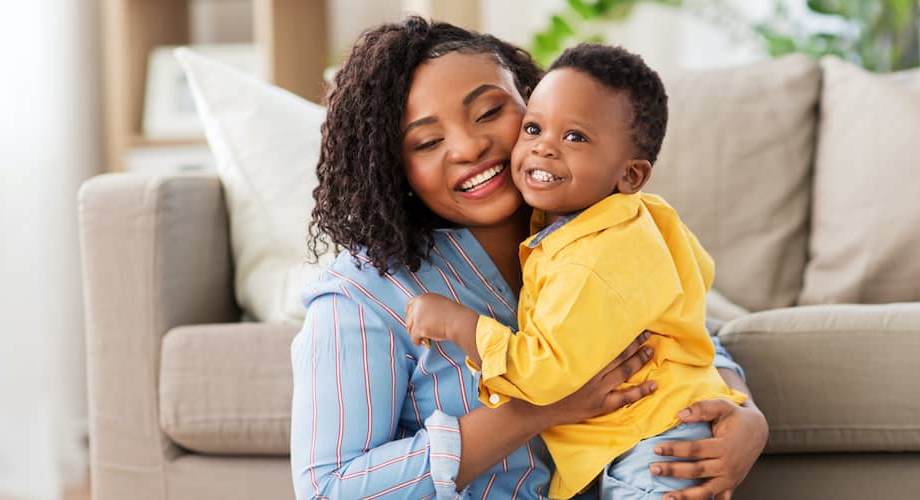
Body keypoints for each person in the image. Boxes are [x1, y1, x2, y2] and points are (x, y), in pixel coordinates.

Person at [292, 17, 768, 500]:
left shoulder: (599, 227)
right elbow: (329, 488)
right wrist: (537, 410)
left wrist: (744, 413)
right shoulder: (360, 295)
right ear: (394, 165)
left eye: (488, 112)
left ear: (530, 97)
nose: (469, 146)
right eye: (428, 142)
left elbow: (676, 327)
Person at [404, 43, 749, 499]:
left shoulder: (590, 259)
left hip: (657, 443)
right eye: (534, 128)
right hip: (664, 425)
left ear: (630, 175)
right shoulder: (639, 215)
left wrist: (457, 323)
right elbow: (695, 280)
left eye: (576, 137)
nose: (544, 147)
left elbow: (544, 376)